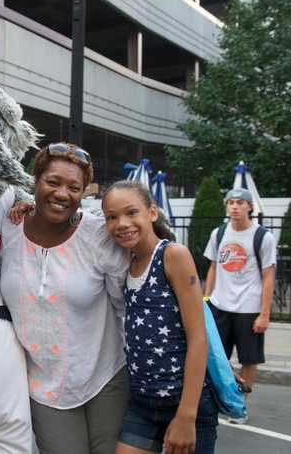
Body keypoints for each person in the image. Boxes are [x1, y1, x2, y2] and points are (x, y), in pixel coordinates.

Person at [2, 143, 129, 454]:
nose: (62, 193)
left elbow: (124, 304)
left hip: (105, 376)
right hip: (43, 387)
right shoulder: (8, 229)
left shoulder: (98, 235)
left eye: (74, 187)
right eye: (53, 182)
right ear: (36, 181)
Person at [103, 180, 217, 454]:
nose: (122, 223)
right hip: (142, 404)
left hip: (186, 403)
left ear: (152, 212)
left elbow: (198, 338)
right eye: (112, 217)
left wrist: (187, 415)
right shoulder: (125, 262)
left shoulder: (172, 255)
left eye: (132, 212)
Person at [203, 187, 276, 423]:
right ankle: (216, 401)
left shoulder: (262, 236)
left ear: (249, 207)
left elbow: (268, 275)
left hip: (249, 308)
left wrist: (264, 313)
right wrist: (206, 300)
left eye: (239, 203)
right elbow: (213, 267)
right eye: (230, 202)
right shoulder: (219, 233)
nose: (234, 207)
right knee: (215, 358)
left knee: (248, 359)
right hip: (220, 306)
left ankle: (239, 405)